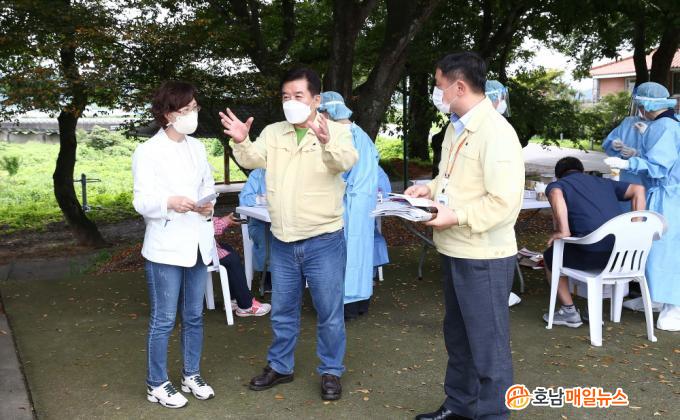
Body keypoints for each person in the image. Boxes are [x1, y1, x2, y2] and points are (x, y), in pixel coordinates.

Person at [220, 68, 358, 400]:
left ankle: (330, 370)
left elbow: (345, 162)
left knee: (329, 312)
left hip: (323, 239)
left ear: (316, 99)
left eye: (298, 96)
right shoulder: (273, 132)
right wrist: (241, 140)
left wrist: (326, 142)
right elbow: (253, 159)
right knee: (283, 310)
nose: (290, 102)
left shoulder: (337, 131)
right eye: (285, 96)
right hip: (282, 239)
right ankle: (280, 366)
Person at [406, 52, 525, 420]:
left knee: (488, 347)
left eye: (439, 85)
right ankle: (459, 405)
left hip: (484, 256)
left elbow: (504, 202)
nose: (436, 92)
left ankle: (492, 414)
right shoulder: (456, 127)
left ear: (459, 87)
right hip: (455, 249)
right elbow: (451, 179)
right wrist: (428, 188)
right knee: (458, 338)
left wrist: (456, 215)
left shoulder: (496, 132)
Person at [132, 81, 216, 408]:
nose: (192, 114)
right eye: (185, 110)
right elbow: (142, 201)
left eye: (194, 108)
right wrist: (170, 202)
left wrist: (208, 205)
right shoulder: (148, 151)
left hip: (197, 242)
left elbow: (207, 185)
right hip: (166, 245)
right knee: (164, 319)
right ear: (168, 115)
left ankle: (191, 374)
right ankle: (156, 382)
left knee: (194, 315)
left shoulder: (198, 147)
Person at [604, 81, 680, 332]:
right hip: (660, 194)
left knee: (666, 251)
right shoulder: (660, 125)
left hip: (668, 196)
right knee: (651, 248)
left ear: (646, 103)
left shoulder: (666, 127)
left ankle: (674, 307)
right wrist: (634, 154)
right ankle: (656, 298)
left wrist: (629, 163)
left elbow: (659, 166)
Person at [541, 157, 646, 327]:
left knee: (550, 256)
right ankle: (592, 310)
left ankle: (569, 311)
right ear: (582, 171)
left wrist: (562, 231)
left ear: (558, 175)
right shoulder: (603, 182)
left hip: (592, 256)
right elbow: (638, 189)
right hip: (623, 257)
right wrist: (635, 230)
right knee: (593, 249)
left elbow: (555, 194)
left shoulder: (559, 185)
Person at [317, 91, 379, 321]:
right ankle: (360, 302)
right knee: (361, 252)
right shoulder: (362, 134)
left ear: (327, 112)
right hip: (365, 204)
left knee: (341, 255)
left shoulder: (340, 136)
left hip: (345, 203)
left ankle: (343, 305)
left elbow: (336, 171)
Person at [212, 213, 271, 317]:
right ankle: (246, 306)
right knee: (231, 260)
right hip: (196, 251)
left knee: (228, 249)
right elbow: (203, 228)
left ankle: (234, 298)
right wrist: (224, 221)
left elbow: (204, 220)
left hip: (199, 246)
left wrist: (222, 220)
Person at [238, 168, 273, 292]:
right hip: (260, 224)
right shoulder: (258, 174)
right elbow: (243, 199)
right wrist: (260, 199)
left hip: (287, 223)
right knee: (268, 236)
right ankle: (266, 276)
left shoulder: (293, 172)